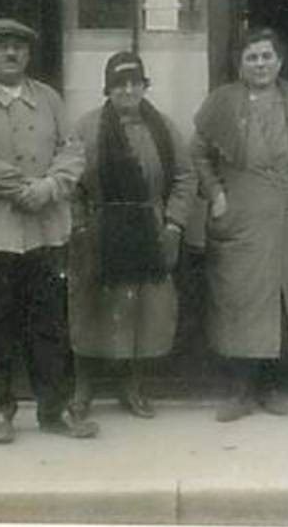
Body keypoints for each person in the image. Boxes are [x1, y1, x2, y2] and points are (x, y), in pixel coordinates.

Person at [0, 17, 94, 443]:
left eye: (19, 47)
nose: (11, 53)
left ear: (28, 54)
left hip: (45, 229)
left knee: (50, 324)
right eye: (2, 45)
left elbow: (72, 150)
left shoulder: (48, 98)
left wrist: (49, 188)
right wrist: (21, 188)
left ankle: (55, 410)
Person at [191, 27, 288, 422]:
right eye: (251, 58)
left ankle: (271, 386)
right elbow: (199, 154)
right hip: (241, 215)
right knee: (240, 302)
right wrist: (217, 194)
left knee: (282, 303)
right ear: (240, 64)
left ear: (279, 61)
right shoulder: (222, 101)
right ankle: (241, 390)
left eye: (266, 56)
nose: (260, 65)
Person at [66, 51, 197, 421]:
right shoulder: (86, 128)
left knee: (143, 310)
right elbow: (71, 183)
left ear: (144, 86)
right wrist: (79, 225)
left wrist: (173, 224)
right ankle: (83, 390)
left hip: (149, 231)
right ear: (107, 89)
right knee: (91, 310)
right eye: (119, 84)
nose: (128, 90)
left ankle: (132, 386)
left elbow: (186, 178)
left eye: (135, 83)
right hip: (99, 230)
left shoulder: (164, 128)